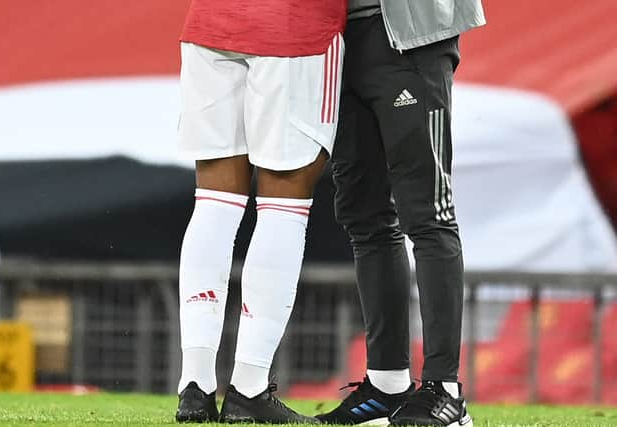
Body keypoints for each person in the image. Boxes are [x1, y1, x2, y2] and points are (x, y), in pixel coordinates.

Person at [174, 0, 347, 424]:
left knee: (213, 203)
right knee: (284, 206)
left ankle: (194, 386)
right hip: (294, 28)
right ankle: (248, 387)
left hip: (212, 23)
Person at [317, 1, 485, 426]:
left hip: (409, 33)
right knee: (365, 218)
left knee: (429, 214)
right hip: (337, 38)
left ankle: (445, 392)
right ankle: (388, 383)